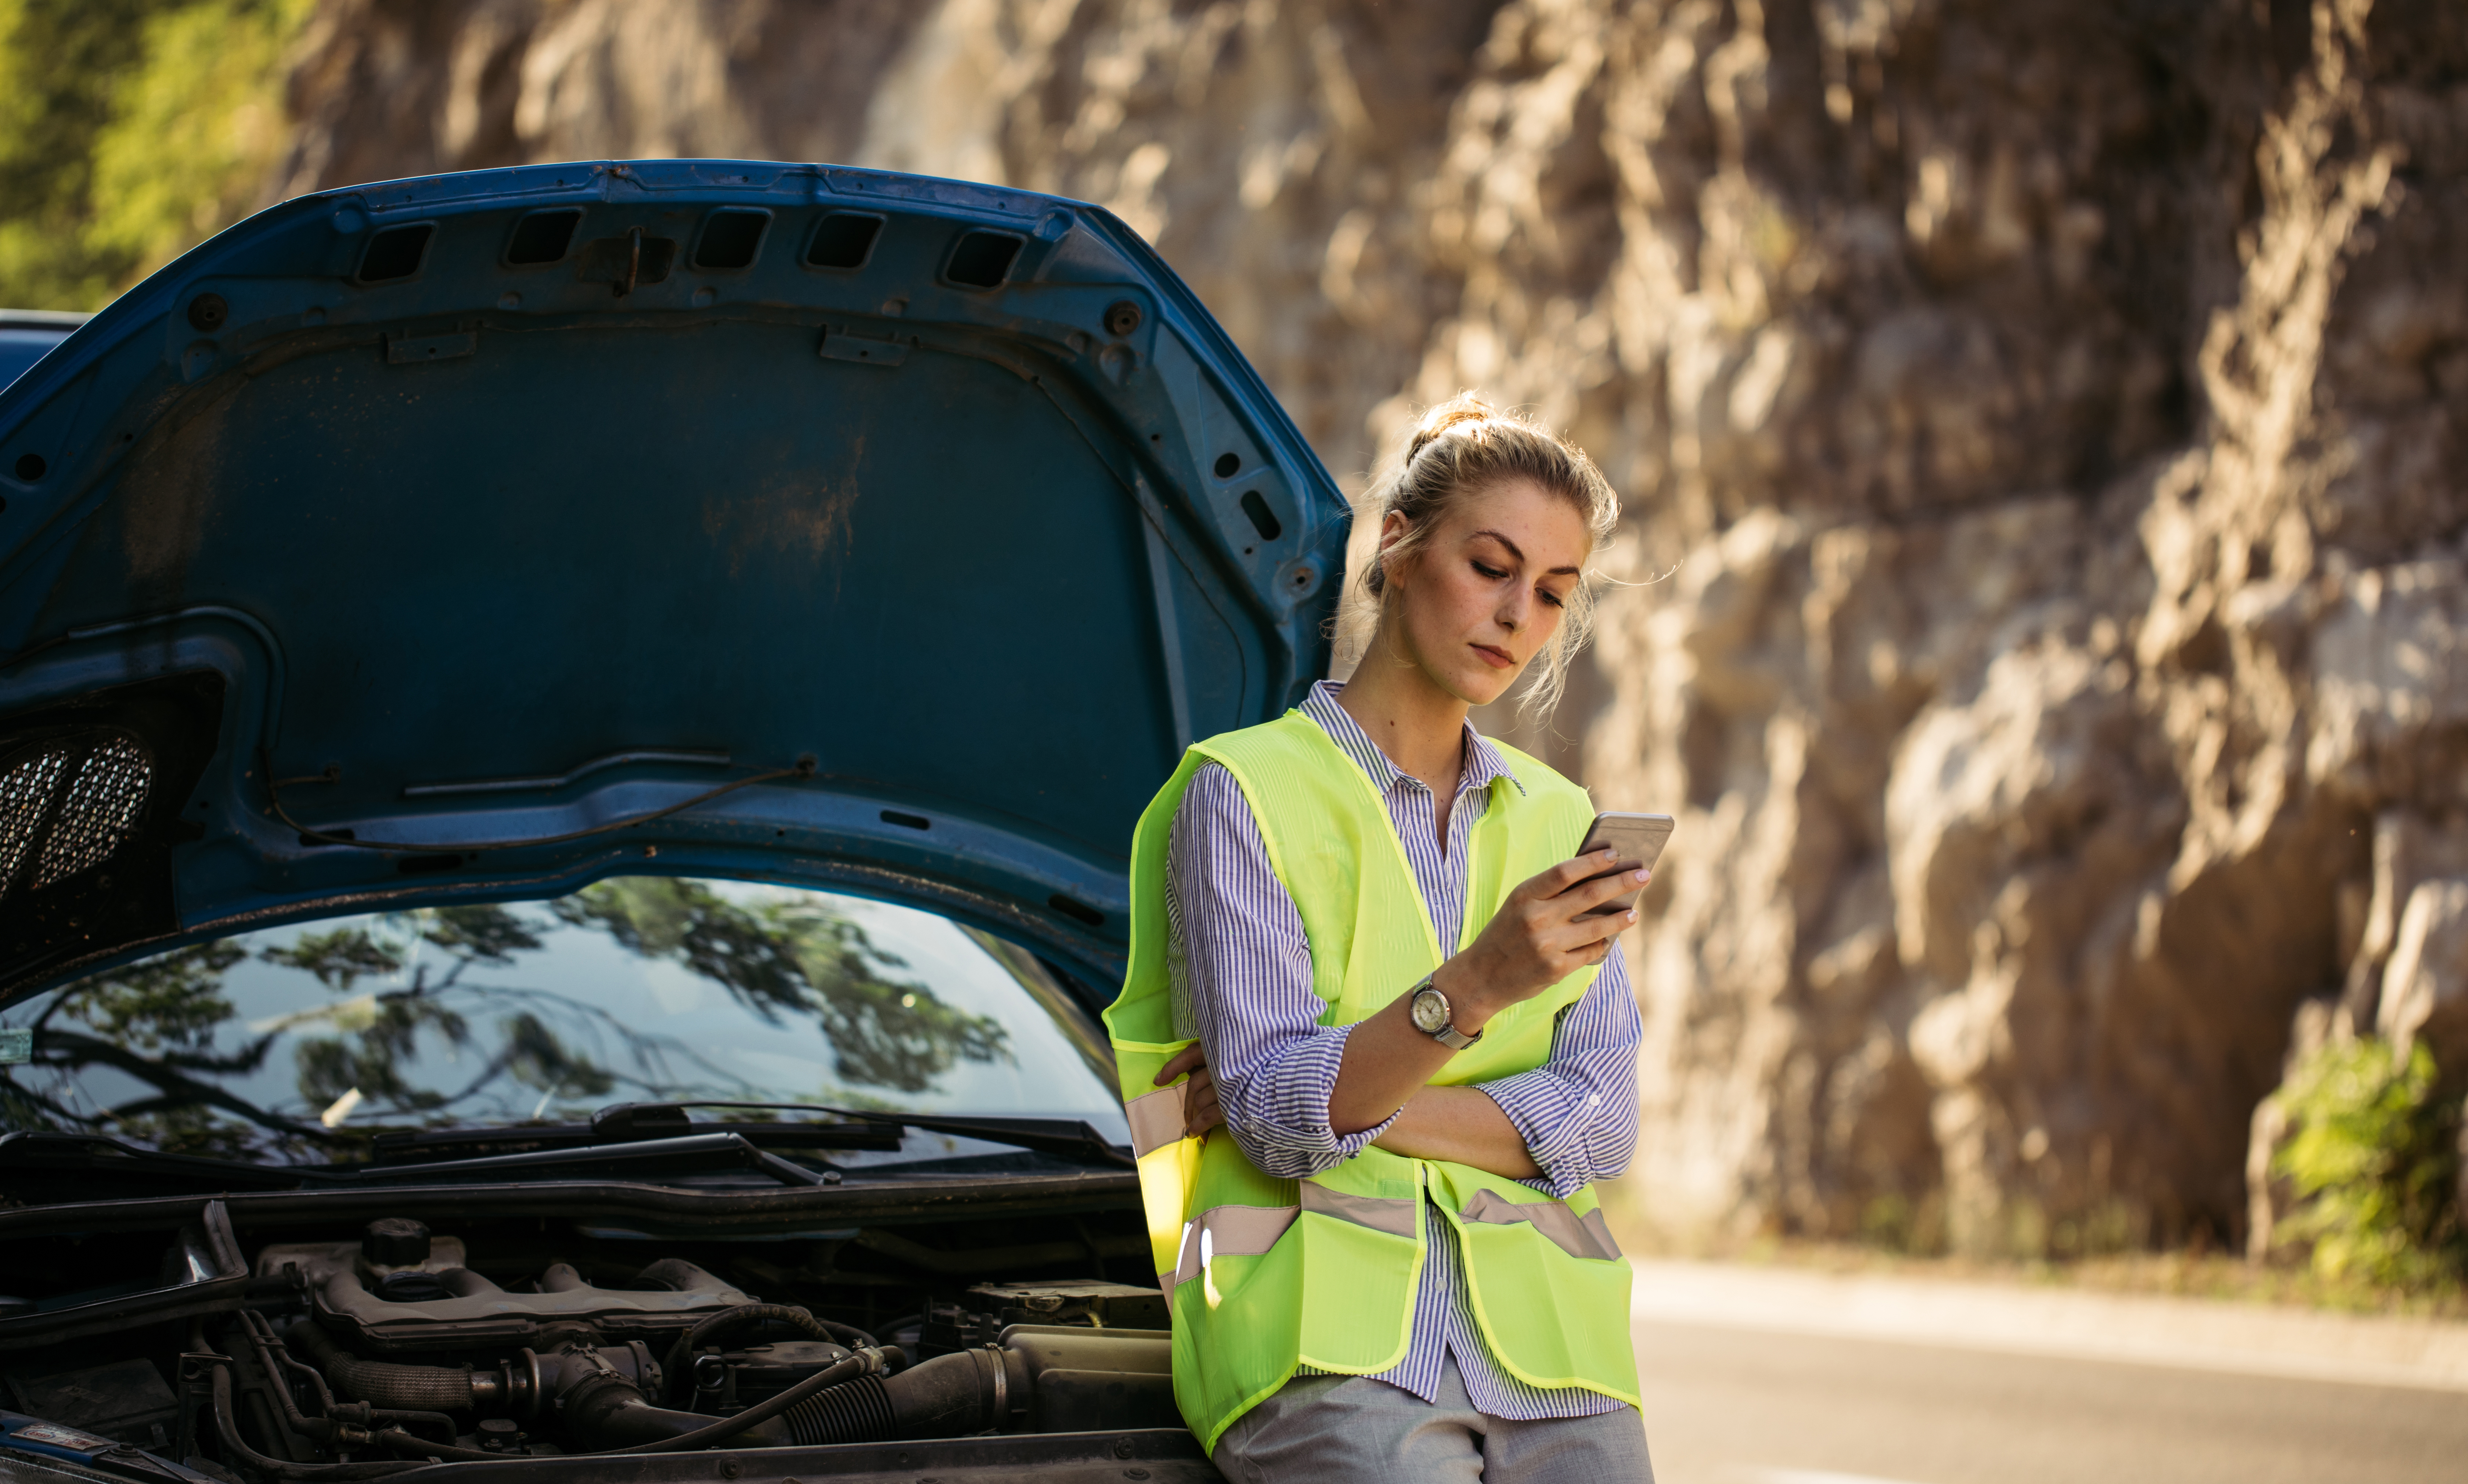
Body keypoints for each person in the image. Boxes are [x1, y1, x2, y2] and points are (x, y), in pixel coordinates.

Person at [1105, 394, 1652, 1483]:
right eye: (1492, 566)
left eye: (1552, 592)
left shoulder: (1557, 816)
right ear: (1399, 543)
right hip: (1324, 1356)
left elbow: (1602, 1122)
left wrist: (1361, 1097)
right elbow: (1275, 1125)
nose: (1517, 615)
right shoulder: (1245, 791)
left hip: (1560, 1362)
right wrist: (1478, 987)